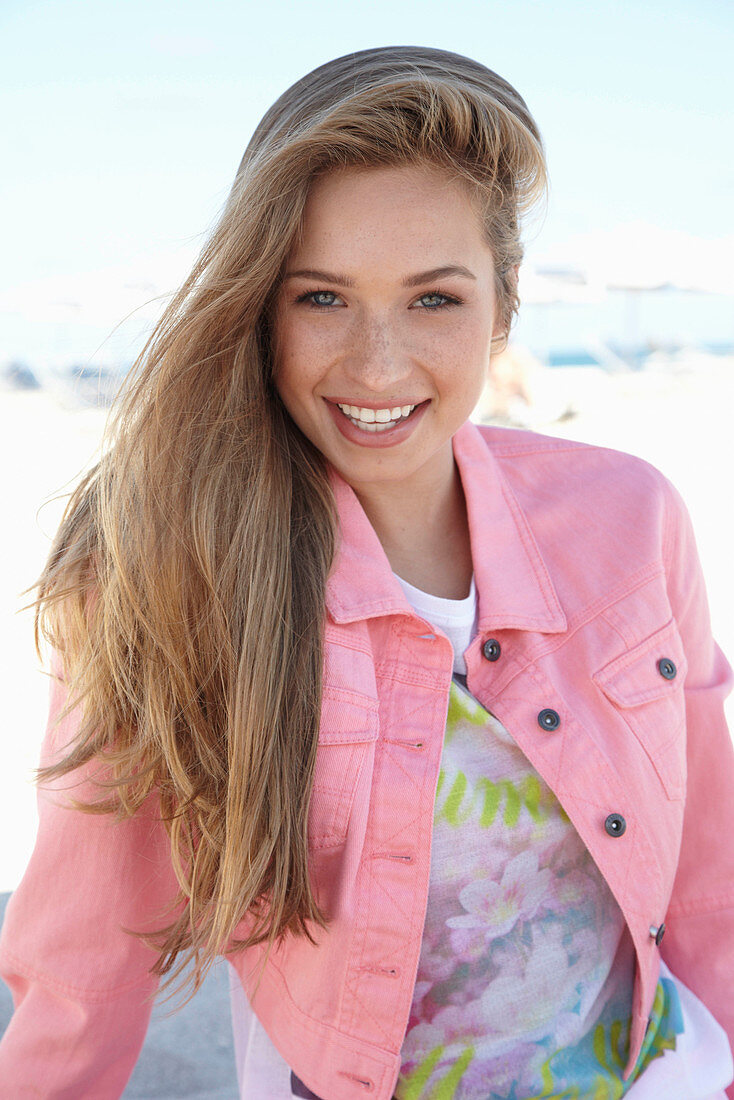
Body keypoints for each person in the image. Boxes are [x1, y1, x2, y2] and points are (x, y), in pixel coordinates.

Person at [0, 45, 733, 1100]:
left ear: (504, 307)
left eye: (433, 300)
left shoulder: (631, 515)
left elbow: (706, 870)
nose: (377, 365)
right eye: (322, 299)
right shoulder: (161, 573)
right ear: (258, 309)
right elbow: (80, 967)